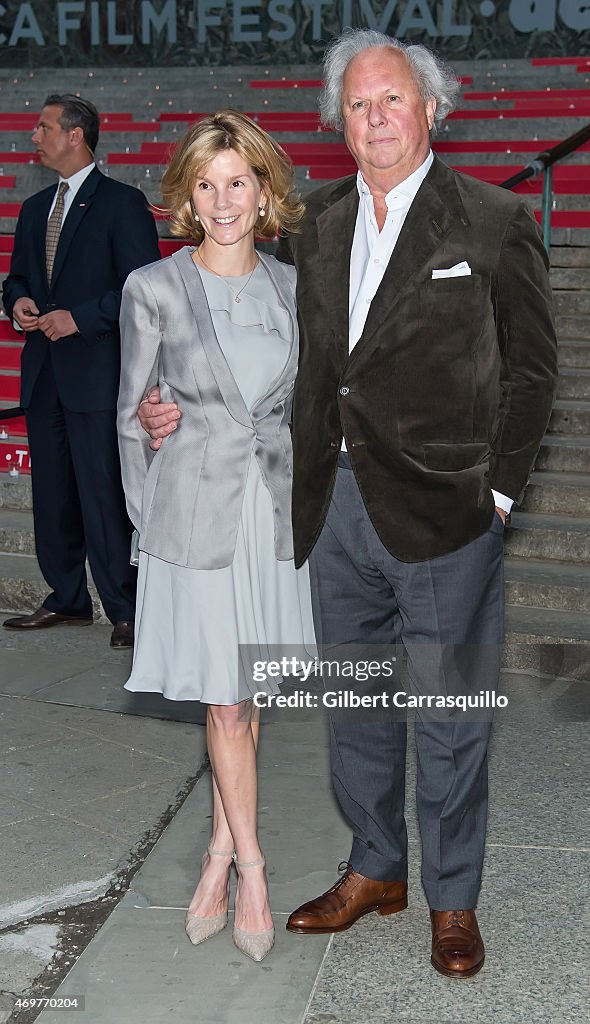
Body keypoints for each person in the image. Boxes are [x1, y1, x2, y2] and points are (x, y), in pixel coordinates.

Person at [137, 30, 558, 977]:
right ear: (340, 120)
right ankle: (376, 868)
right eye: (358, 104)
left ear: (431, 109)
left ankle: (453, 900)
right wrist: (170, 407)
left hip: (447, 514)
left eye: (393, 100)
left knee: (452, 713)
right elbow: (258, 351)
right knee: (357, 710)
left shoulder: (492, 221)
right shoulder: (314, 223)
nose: (375, 118)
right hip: (329, 513)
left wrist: (496, 493)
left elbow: (533, 373)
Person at [116, 110, 313, 963]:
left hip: (271, 521)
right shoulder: (152, 288)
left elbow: (308, 408)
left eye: (238, 181)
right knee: (226, 701)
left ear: (263, 189)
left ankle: (218, 850)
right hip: (193, 523)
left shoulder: (294, 288)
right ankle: (256, 872)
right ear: (186, 196)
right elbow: (132, 414)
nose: (223, 199)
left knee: (249, 695)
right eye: (207, 183)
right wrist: (145, 518)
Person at [2, 94, 160, 648]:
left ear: (76, 136)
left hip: (97, 374)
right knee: (52, 494)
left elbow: (143, 288)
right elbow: (17, 279)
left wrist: (83, 318)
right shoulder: (32, 208)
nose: (34, 136)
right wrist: (17, 303)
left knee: (102, 493)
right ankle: (65, 597)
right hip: (44, 375)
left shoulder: (122, 204)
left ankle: (126, 608)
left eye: (43, 127)